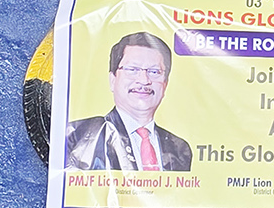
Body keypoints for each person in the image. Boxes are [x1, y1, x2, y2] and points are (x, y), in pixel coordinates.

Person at [65, 32, 192, 171]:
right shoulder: (79, 136)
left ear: (165, 84)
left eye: (154, 72)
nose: (144, 80)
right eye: (132, 69)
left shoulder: (180, 149)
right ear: (112, 80)